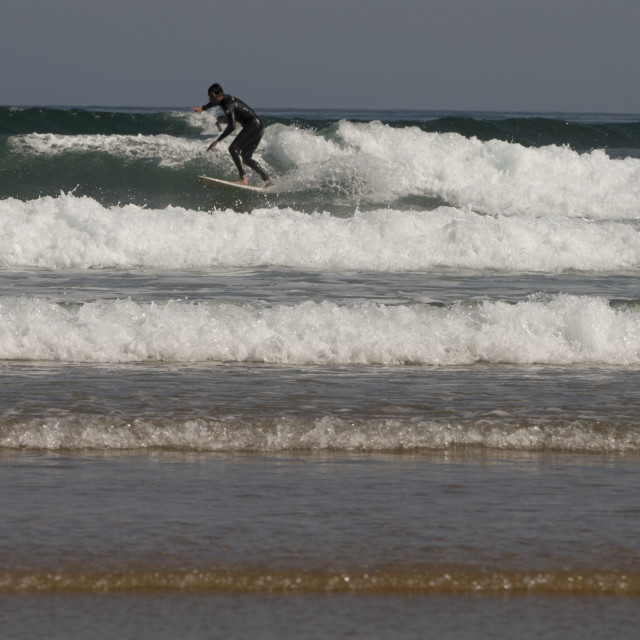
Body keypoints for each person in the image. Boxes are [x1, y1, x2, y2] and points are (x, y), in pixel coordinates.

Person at [191, 84, 272, 186]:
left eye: (211, 96)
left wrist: (218, 140)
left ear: (219, 95)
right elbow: (213, 103)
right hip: (258, 126)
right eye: (209, 96)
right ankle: (268, 180)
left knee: (233, 148)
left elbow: (231, 126)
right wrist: (203, 108)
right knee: (246, 157)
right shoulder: (224, 99)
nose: (209, 98)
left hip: (253, 125)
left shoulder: (228, 104)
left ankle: (243, 178)